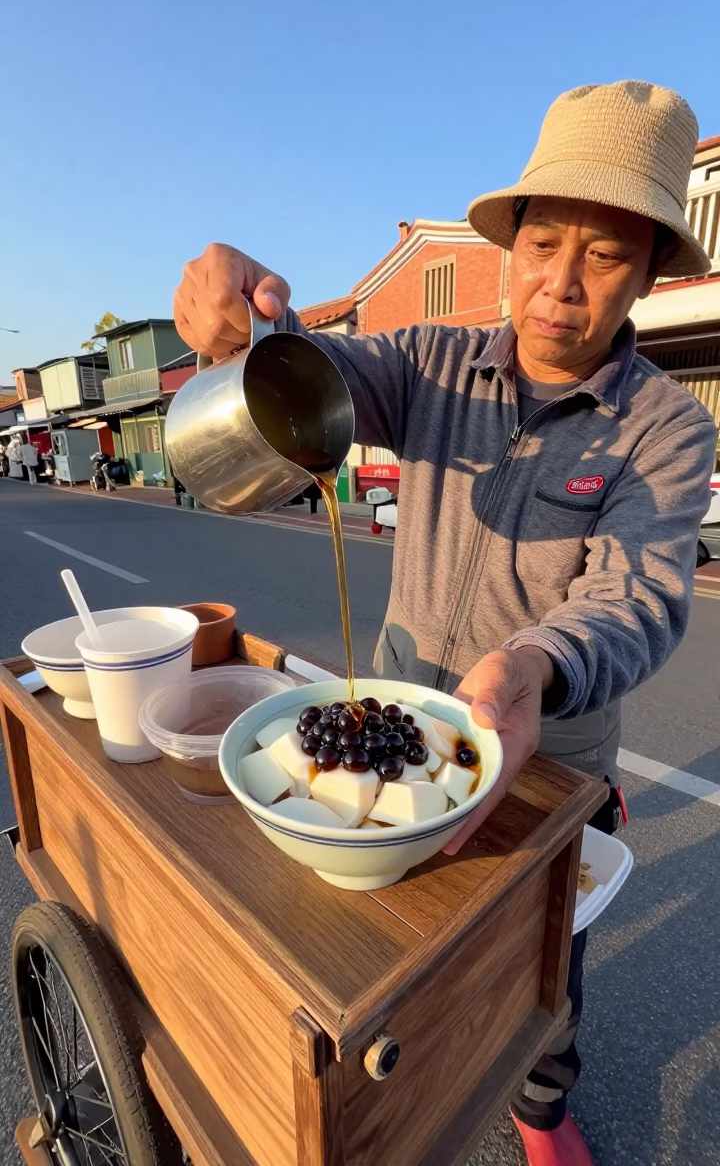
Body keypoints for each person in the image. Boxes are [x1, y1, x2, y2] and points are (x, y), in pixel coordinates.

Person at [173, 82, 716, 1166]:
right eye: (544, 240)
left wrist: (531, 661)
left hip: (545, 752)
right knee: (390, 951)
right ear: (509, 245)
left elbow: (642, 593)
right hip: (393, 728)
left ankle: (542, 1106)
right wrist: (246, 320)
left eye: (605, 254)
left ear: (652, 270)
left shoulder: (667, 424)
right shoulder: (426, 361)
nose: (561, 283)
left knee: (540, 971)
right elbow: (307, 377)